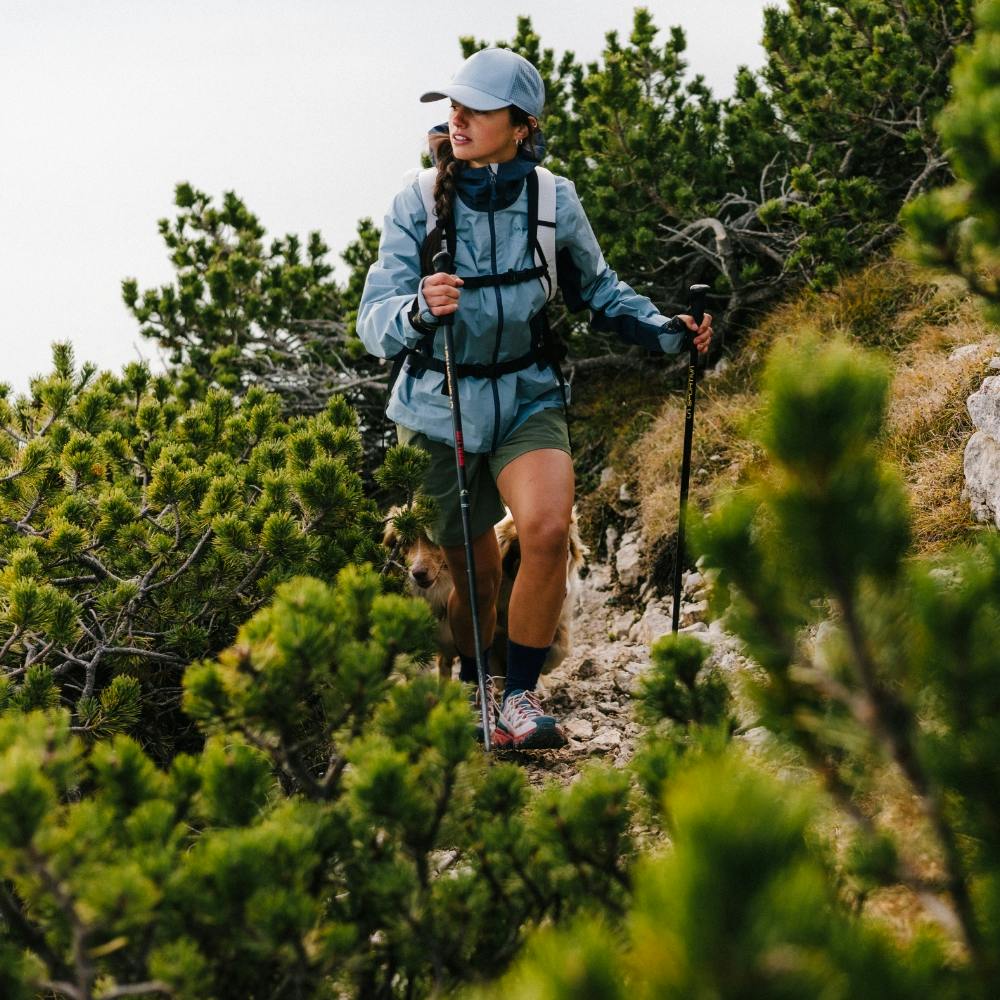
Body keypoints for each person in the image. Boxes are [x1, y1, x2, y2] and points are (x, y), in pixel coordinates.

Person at [358, 47, 712, 750]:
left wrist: (672, 334)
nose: (456, 119)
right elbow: (374, 320)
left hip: (527, 394)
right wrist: (421, 310)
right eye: (451, 107)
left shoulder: (554, 200)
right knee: (478, 583)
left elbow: (600, 294)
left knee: (547, 531)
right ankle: (477, 682)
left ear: (521, 124)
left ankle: (518, 698)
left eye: (475, 109)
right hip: (437, 407)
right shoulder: (416, 202)